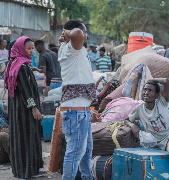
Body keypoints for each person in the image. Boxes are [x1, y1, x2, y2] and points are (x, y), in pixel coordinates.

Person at [58, 19, 95, 180]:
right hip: (75, 112)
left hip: (81, 111)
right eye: (84, 31)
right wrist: (67, 33)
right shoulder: (70, 48)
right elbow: (77, 34)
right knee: (75, 153)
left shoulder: (76, 49)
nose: (85, 35)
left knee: (86, 151)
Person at [4, 36, 43, 179]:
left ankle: (22, 170)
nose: (32, 51)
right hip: (25, 111)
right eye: (29, 48)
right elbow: (26, 90)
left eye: (32, 48)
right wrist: (34, 108)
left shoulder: (15, 64)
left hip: (17, 109)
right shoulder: (20, 66)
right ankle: (26, 172)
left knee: (19, 138)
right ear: (20, 48)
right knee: (26, 138)